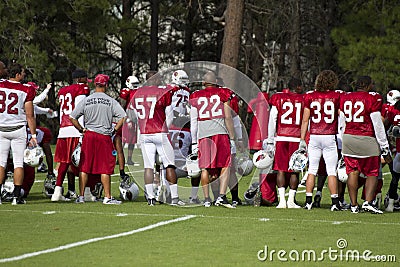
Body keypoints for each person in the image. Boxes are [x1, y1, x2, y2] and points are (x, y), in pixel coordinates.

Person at [70, 74, 126, 204]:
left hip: (89, 135)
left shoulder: (86, 100)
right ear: (106, 85)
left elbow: (72, 117)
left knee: (84, 167)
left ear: (95, 84)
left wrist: (81, 129)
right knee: (105, 167)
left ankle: (81, 197)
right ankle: (107, 197)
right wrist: (115, 130)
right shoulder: (110, 100)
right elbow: (123, 116)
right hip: (104, 136)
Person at [339, 76, 390, 214]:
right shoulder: (372, 98)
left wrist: (344, 139)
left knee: (352, 172)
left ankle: (354, 205)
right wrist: (384, 146)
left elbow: (342, 122)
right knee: (373, 172)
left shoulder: (345, 97)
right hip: (366, 137)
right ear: (368, 86)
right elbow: (377, 124)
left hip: (348, 137)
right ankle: (368, 202)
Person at [131, 71, 183, 206]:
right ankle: (175, 198)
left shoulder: (137, 93)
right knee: (169, 165)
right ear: (153, 79)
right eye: (158, 78)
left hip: (144, 133)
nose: (160, 80)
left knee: (148, 167)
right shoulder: (163, 92)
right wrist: (165, 128)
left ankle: (150, 198)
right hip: (160, 132)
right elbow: (169, 114)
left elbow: (134, 116)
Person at [189, 71, 236, 208]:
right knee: (225, 165)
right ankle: (221, 196)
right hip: (219, 132)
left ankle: (207, 199)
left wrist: (194, 141)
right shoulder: (223, 92)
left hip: (203, 134)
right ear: (215, 81)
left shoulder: (195, 95)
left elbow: (194, 121)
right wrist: (232, 138)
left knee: (205, 168)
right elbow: (227, 117)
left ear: (204, 82)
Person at [300, 70, 342, 211]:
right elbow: (340, 116)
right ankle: (334, 202)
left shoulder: (310, 96)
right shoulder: (336, 96)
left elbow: (305, 120)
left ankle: (308, 201)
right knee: (331, 171)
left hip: (315, 136)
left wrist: (302, 139)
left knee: (312, 169)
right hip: (329, 136)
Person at [0, 63, 37, 205]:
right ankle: (16, 196)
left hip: (1, 128)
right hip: (17, 129)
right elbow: (30, 115)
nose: (24, 76)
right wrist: (33, 135)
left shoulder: (1, 85)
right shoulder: (26, 89)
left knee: (1, 163)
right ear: (17, 75)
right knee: (18, 164)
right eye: (22, 73)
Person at [264, 77, 304, 209]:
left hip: (281, 137)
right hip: (296, 138)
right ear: (297, 87)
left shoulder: (279, 98)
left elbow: (272, 119)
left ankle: (282, 201)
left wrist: (271, 139)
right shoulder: (303, 100)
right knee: (294, 171)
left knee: (280, 169)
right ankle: (291, 200)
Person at [51, 68, 90, 201]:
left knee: (64, 162)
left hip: (63, 129)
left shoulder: (63, 90)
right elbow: (80, 110)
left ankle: (57, 192)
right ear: (80, 79)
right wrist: (82, 130)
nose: (87, 82)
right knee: (83, 162)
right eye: (85, 78)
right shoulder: (81, 89)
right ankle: (86, 193)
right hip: (75, 128)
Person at [119, 75, 140, 167]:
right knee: (122, 140)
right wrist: (125, 118)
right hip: (127, 117)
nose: (135, 85)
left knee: (132, 140)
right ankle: (118, 158)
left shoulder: (137, 91)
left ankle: (129, 159)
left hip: (134, 118)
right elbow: (122, 105)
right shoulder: (126, 91)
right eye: (133, 84)